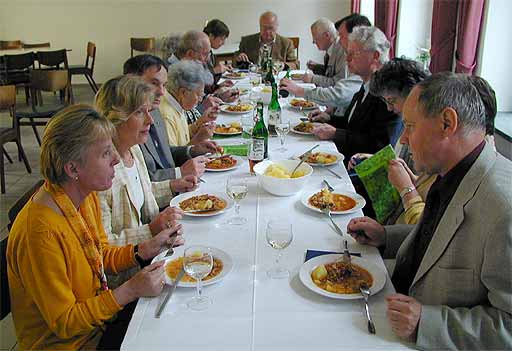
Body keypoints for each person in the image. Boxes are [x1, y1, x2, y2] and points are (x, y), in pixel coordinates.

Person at [347, 72, 512, 350]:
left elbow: (507, 326)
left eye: (410, 126)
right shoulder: (454, 170)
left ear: (447, 123)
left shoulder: (502, 207)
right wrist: (386, 236)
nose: (405, 139)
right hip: (391, 298)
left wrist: (427, 322)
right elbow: (441, 237)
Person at [7, 105, 183, 350]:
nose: (117, 159)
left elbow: (98, 254)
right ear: (72, 168)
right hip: (74, 344)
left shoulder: (83, 195)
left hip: (99, 322)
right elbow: (65, 322)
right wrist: (130, 290)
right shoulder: (40, 233)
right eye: (105, 153)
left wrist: (145, 248)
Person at [94, 75, 187, 287]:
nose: (150, 120)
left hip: (151, 258)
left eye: (148, 110)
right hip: (126, 282)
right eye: (139, 112)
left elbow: (142, 190)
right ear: (115, 118)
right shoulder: (100, 175)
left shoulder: (133, 149)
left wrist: (175, 184)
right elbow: (103, 249)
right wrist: (151, 230)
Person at [349, 58, 434, 225]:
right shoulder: (405, 121)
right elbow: (418, 179)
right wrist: (376, 160)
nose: (389, 108)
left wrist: (407, 186)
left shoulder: (425, 133)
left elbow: (424, 207)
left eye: (391, 101)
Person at [305, 26, 402, 161]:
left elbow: (379, 146)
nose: (347, 59)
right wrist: (329, 118)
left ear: (375, 56)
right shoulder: (365, 85)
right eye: (347, 53)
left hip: (359, 168)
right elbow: (352, 124)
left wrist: (336, 134)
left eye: (354, 54)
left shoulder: (386, 95)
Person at [123, 54, 214, 182]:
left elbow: (164, 155)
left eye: (164, 85)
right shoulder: (125, 124)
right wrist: (179, 172)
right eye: (154, 83)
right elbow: (140, 181)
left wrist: (192, 150)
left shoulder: (154, 111)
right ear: (131, 82)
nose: (161, 92)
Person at [280, 14, 370, 115]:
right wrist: (331, 116)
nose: (338, 40)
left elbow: (338, 92)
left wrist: (300, 90)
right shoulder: (353, 61)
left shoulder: (350, 58)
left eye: (341, 36)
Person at [163, 60, 223, 147]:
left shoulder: (177, 103)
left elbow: (183, 136)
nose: (200, 100)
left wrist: (201, 122)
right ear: (183, 92)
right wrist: (198, 139)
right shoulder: (166, 116)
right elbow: (174, 157)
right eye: (199, 95)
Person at [169, 30, 238, 103]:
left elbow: (200, 94)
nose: (206, 60)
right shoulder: (170, 74)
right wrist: (215, 97)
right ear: (190, 54)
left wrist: (218, 91)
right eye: (205, 54)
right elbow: (188, 109)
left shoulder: (189, 66)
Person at [302, 18, 347, 87]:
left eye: (315, 38)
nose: (313, 42)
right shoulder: (331, 48)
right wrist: (317, 67)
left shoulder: (342, 51)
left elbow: (339, 84)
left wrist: (313, 79)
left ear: (326, 35)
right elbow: (330, 74)